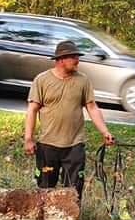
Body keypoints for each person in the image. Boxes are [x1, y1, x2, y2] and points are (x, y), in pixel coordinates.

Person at [23, 40, 114, 199]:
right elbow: (32, 110)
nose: (77, 60)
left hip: (74, 147)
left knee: (73, 192)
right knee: (45, 189)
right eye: (73, 57)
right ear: (61, 59)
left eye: (77, 56)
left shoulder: (83, 80)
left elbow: (92, 107)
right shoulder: (42, 80)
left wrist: (105, 131)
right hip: (47, 147)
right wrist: (29, 138)